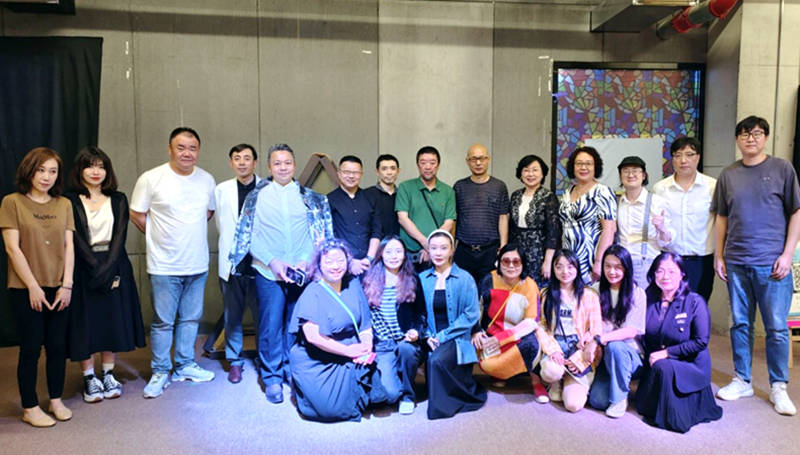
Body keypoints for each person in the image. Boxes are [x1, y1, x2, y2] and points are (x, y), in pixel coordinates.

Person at [229, 143, 333, 404]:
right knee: (270, 326)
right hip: (268, 271)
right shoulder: (256, 197)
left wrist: (305, 260)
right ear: (269, 167)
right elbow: (248, 236)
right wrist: (273, 261)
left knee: (296, 325)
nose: (283, 167)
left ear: (294, 165)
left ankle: (291, 370)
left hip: (301, 272)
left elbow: (317, 233)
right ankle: (272, 376)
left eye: (287, 163)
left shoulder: (310, 198)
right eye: (277, 163)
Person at [713, 116, 800, 416]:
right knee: (740, 323)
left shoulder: (782, 169)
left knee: (776, 327)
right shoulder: (728, 174)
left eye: (757, 133)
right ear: (737, 139)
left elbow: (796, 213)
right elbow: (721, 217)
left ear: (766, 137)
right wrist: (719, 255)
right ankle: (742, 379)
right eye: (745, 134)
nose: (750, 138)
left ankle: (779, 386)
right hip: (737, 261)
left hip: (773, 263)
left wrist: (787, 254)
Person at [130, 127, 217, 398]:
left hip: (197, 263)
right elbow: (137, 213)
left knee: (190, 319)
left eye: (192, 148)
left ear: (198, 151)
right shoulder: (151, 178)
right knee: (163, 322)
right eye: (181, 147)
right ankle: (160, 371)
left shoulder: (206, 179)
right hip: (164, 265)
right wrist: (160, 236)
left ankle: (185, 365)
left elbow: (208, 212)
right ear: (170, 149)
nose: (187, 153)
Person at [0, 147, 74, 427]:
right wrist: (32, 286)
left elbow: (69, 247)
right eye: (41, 170)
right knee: (31, 347)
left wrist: (67, 285)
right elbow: (12, 248)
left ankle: (55, 399)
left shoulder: (64, 204)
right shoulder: (12, 202)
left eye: (53, 171)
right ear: (29, 171)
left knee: (57, 346)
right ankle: (30, 407)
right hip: (26, 288)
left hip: (59, 286)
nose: (46, 177)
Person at [65, 146, 145, 402]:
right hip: (82, 266)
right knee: (85, 322)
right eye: (90, 166)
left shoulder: (118, 198)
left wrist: (107, 269)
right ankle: (89, 377)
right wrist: (94, 268)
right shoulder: (69, 200)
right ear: (80, 170)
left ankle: (108, 373)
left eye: (101, 166)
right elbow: (75, 238)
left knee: (112, 319)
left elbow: (120, 236)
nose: (95, 171)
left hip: (115, 264)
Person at [288, 239, 387, 422]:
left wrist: (366, 344)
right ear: (319, 264)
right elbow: (313, 337)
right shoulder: (312, 291)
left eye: (340, 261)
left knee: (383, 396)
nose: (335, 266)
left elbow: (365, 323)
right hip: (318, 355)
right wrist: (348, 351)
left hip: (352, 347)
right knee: (330, 410)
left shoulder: (353, 284)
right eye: (329, 262)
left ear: (347, 261)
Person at [635, 252, 722, 433]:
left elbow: (701, 342)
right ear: (653, 274)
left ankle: (674, 415)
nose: (665, 276)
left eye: (671, 271)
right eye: (660, 271)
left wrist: (667, 353)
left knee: (664, 367)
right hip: (655, 362)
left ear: (682, 274)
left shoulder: (695, 301)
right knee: (641, 404)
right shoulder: (646, 298)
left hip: (688, 363)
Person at [420, 229, 487, 419]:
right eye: (434, 248)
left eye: (443, 248)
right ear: (428, 250)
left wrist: (442, 336)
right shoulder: (422, 279)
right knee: (431, 359)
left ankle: (441, 409)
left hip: (456, 337)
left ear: (452, 250)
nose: (438, 253)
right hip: (431, 336)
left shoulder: (465, 279)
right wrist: (428, 336)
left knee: (436, 361)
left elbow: (471, 314)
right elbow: (419, 313)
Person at [472, 244, 547, 402]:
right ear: (499, 262)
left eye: (516, 261)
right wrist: (476, 331)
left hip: (517, 337)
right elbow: (475, 309)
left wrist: (502, 338)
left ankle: (536, 381)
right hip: (491, 336)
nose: (511, 266)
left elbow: (531, 321)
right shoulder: (489, 280)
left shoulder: (530, 285)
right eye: (506, 261)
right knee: (483, 358)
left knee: (532, 345)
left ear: (523, 264)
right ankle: (500, 373)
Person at [362, 235, 427, 414]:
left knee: (406, 351)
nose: (393, 256)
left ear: (404, 254)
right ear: (381, 254)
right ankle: (397, 375)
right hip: (383, 344)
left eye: (398, 251)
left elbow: (421, 313)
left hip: (405, 341)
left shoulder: (412, 278)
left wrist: (416, 331)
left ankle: (408, 395)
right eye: (388, 251)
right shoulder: (369, 279)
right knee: (389, 395)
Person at [214, 143, 260, 384]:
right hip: (232, 264)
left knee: (263, 316)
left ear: (255, 162)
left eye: (247, 158)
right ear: (231, 162)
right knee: (232, 316)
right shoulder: (221, 190)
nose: (242, 162)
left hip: (260, 264)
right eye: (237, 158)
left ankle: (265, 359)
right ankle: (235, 361)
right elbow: (221, 225)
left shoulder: (267, 188)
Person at [536, 249, 602, 412]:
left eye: (570, 266)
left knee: (573, 405)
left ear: (577, 268)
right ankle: (556, 379)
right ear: (553, 269)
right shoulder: (546, 294)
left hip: (578, 348)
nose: (565, 271)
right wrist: (552, 350)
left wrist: (580, 358)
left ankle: (568, 379)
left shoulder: (590, 295)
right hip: (556, 342)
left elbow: (596, 330)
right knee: (551, 372)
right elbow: (541, 325)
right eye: (559, 267)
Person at [653, 137, 717, 302]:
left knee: (699, 306)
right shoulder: (660, 188)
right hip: (670, 259)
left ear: (698, 157)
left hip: (701, 260)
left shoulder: (712, 186)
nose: (683, 160)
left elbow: (721, 221)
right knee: (670, 307)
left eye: (689, 155)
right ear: (672, 159)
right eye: (678, 155)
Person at [587, 245, 646, 418]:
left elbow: (632, 331)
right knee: (597, 401)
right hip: (604, 356)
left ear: (626, 268)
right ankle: (616, 385)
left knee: (616, 346)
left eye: (618, 267)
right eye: (608, 266)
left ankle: (620, 398)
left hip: (630, 356)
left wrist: (600, 339)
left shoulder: (637, 293)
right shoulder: (595, 290)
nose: (612, 272)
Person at [559, 147, 617, 284]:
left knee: (589, 295)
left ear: (595, 167)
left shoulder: (603, 192)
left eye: (588, 163)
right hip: (568, 261)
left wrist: (599, 262)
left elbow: (609, 230)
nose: (583, 167)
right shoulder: (568, 192)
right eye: (579, 163)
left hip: (590, 260)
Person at [453, 144, 510, 284]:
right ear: (467, 161)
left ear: (488, 159)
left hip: (490, 251)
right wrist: (451, 246)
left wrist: (503, 247)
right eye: (474, 159)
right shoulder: (459, 186)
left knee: (489, 290)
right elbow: (455, 219)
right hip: (464, 251)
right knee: (464, 290)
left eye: (482, 158)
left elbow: (503, 217)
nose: (478, 163)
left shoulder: (499, 186)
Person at [616, 156, 674, 289]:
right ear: (620, 176)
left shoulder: (657, 202)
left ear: (643, 175)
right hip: (621, 264)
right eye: (626, 171)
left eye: (635, 170)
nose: (630, 174)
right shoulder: (617, 203)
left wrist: (661, 228)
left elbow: (668, 242)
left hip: (647, 264)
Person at [396, 146, 456, 272]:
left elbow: (449, 222)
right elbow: (403, 219)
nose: (428, 167)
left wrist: (433, 247)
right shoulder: (405, 187)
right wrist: (426, 243)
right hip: (410, 254)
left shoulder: (448, 191)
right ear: (418, 165)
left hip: (438, 255)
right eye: (423, 163)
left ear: (438, 165)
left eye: (432, 163)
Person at [509, 154, 560, 288]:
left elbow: (553, 232)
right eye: (526, 170)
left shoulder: (548, 197)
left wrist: (548, 261)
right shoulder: (515, 196)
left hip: (539, 254)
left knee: (536, 290)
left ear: (542, 174)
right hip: (518, 253)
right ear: (520, 174)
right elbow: (511, 228)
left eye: (535, 170)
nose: (530, 174)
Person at [327, 155, 381, 275]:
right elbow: (330, 235)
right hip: (341, 265)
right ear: (339, 173)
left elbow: (376, 231)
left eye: (356, 172)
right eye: (347, 172)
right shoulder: (329, 200)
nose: (351, 176)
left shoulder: (370, 198)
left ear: (361, 174)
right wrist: (350, 261)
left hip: (369, 263)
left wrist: (369, 259)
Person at [364, 154, 401, 238]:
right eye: (384, 169)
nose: (389, 172)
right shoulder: (366, 194)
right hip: (374, 242)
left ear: (398, 171)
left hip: (399, 243)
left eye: (393, 168)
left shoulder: (403, 195)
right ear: (377, 172)